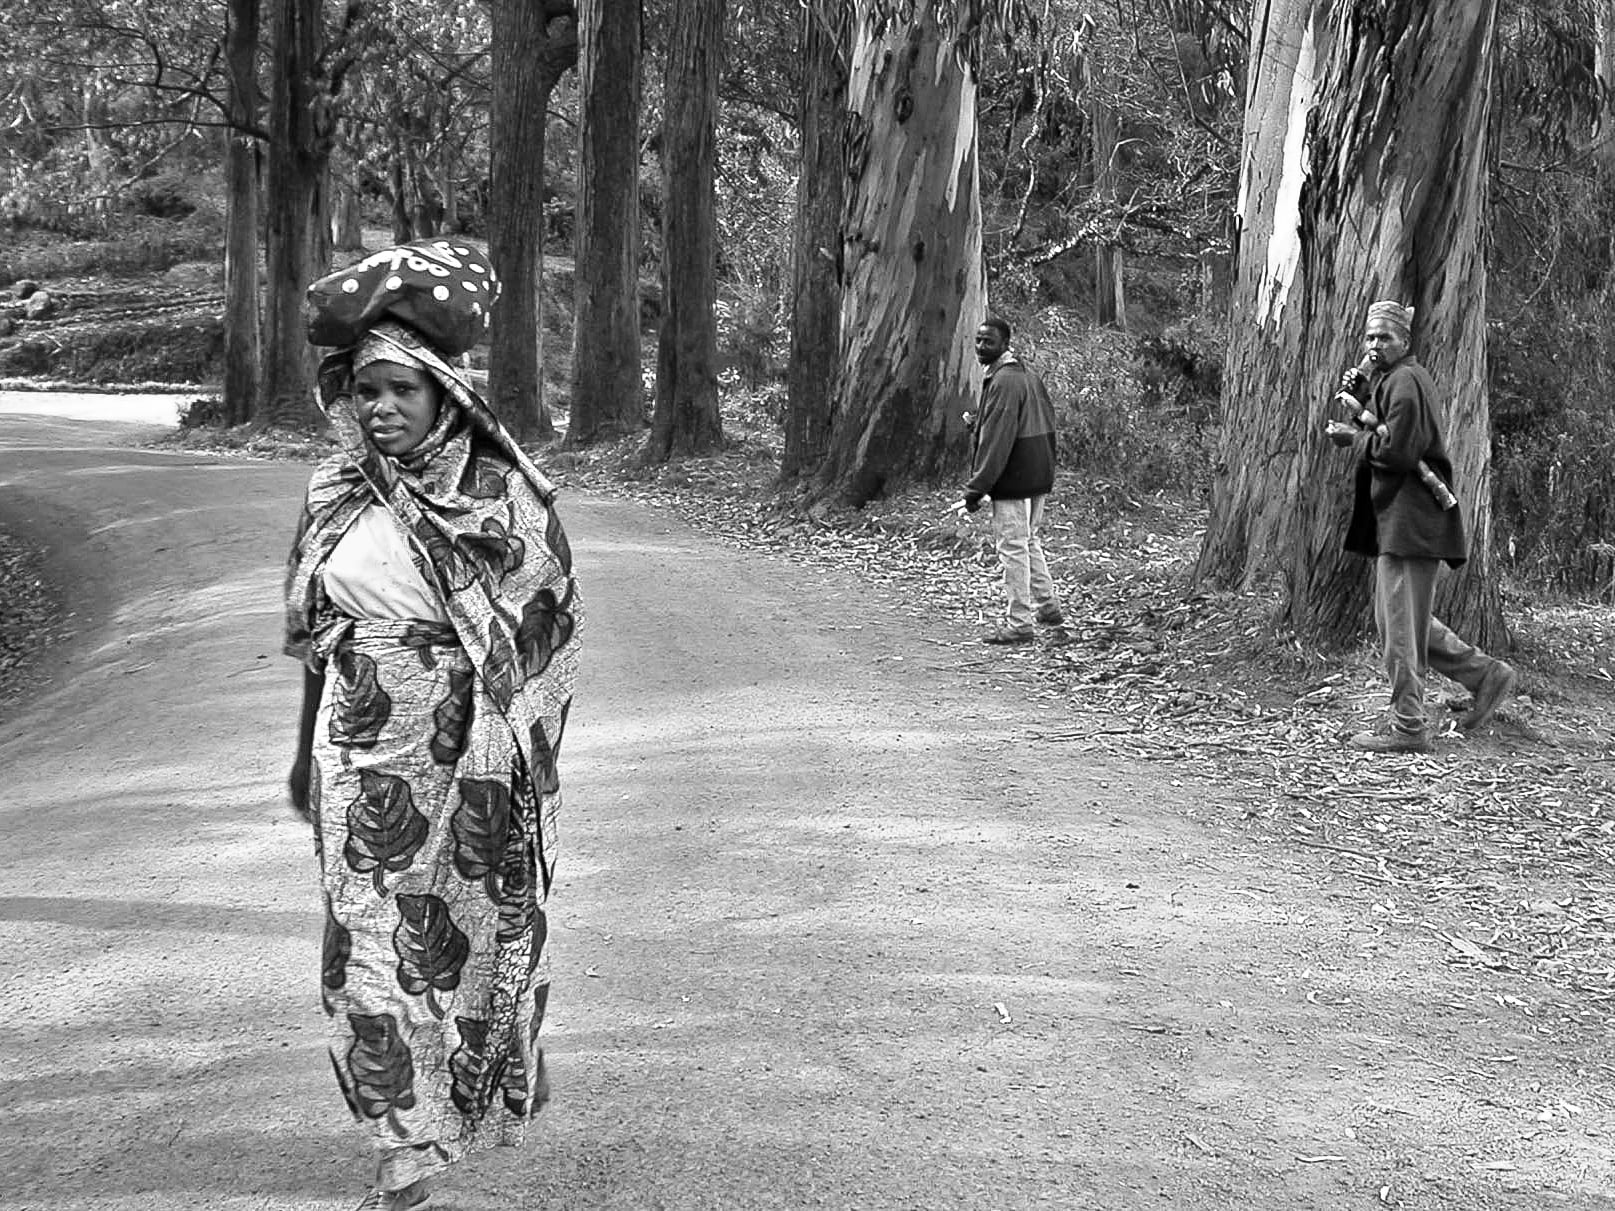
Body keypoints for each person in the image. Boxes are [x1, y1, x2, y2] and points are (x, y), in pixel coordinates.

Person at [285, 241, 582, 1211]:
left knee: (464, 933)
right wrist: (301, 751)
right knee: (367, 947)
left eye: (398, 387)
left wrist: (516, 752)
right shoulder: (337, 488)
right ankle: (405, 1144)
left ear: (444, 390)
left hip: (469, 759)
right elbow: (321, 637)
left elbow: (543, 635)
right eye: (363, 387)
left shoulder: (501, 496)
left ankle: (493, 1065)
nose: (378, 407)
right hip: (355, 752)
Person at [1325, 299, 1514, 754]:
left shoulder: (1407, 381)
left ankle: (1409, 727)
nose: (1375, 345)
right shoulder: (1392, 379)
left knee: (1399, 629)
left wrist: (1353, 437)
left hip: (1412, 520)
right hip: (1401, 519)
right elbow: (1387, 429)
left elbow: (1400, 452)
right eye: (1370, 337)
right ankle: (1485, 674)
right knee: (1395, 620)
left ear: (1404, 342)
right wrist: (1364, 397)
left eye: (1384, 337)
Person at [959, 316, 1062, 645]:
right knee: (1028, 541)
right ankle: (1049, 609)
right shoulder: (1024, 375)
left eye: (988, 341)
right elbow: (1013, 423)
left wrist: (977, 488)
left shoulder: (1005, 381)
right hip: (1037, 471)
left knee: (1013, 548)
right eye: (978, 340)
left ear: (1005, 345)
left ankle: (1019, 623)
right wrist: (977, 423)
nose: (980, 347)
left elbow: (998, 439)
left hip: (1016, 475)